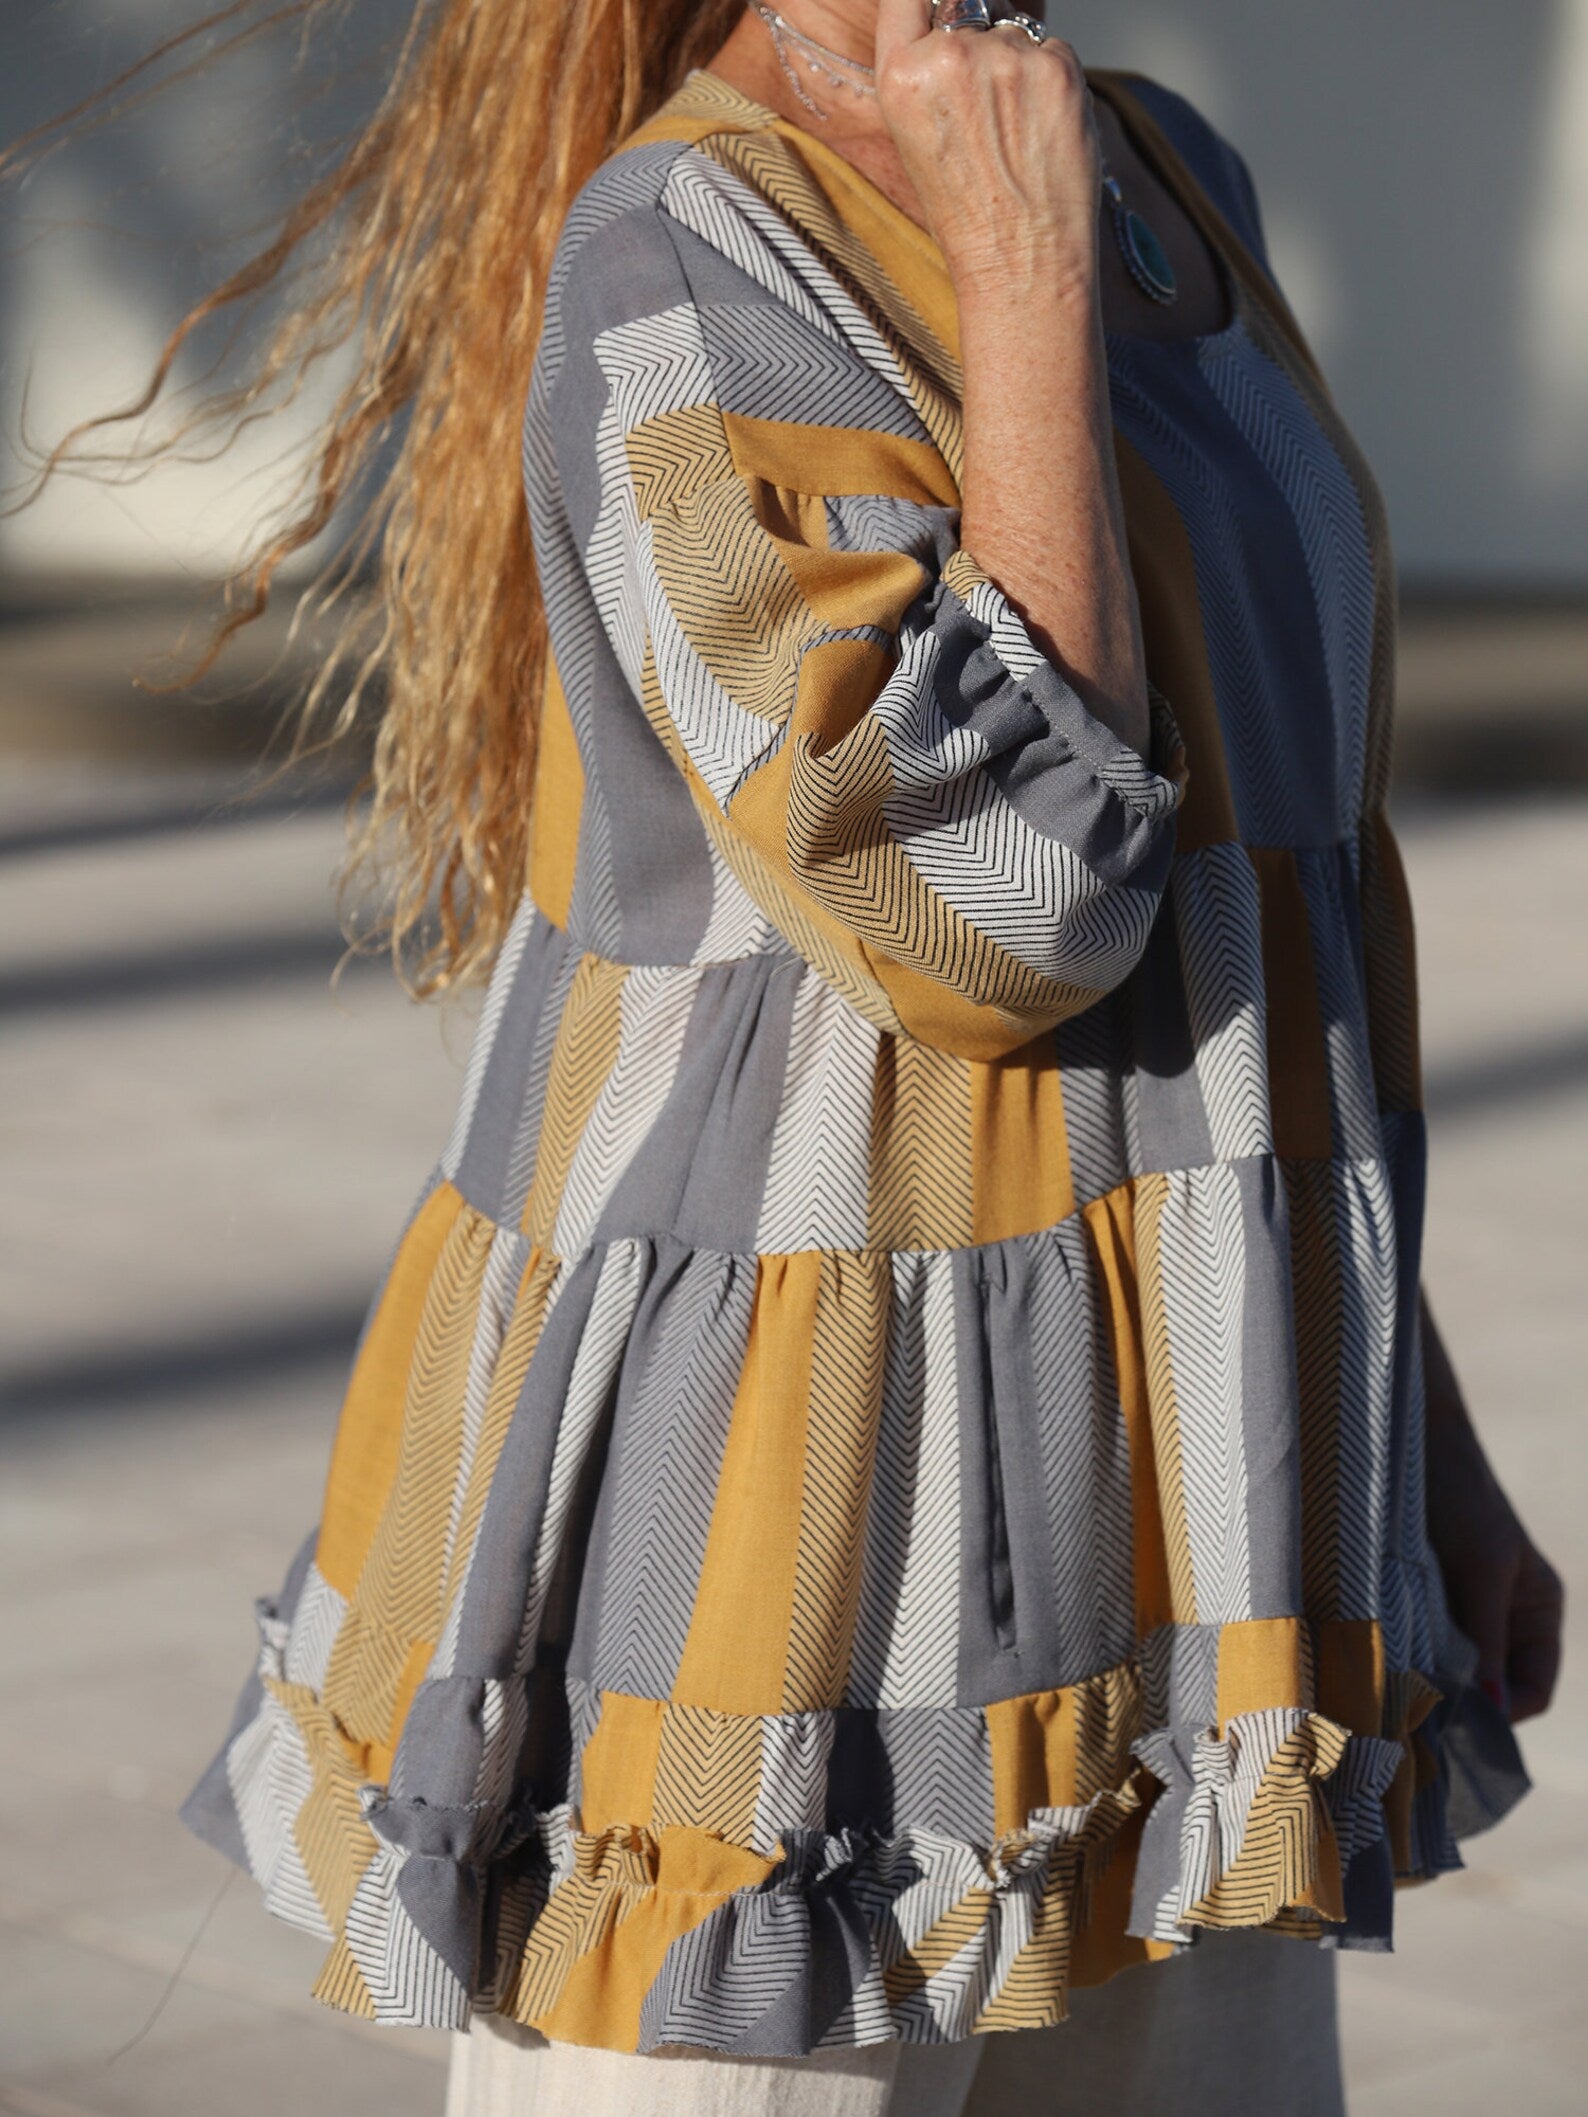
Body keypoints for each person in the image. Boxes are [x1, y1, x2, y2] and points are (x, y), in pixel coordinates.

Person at [21, 1, 1560, 2111]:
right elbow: (997, 901)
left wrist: (1420, 1443)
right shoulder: (677, 248)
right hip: (800, 1570)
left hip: (1198, 1547)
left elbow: (1262, 909)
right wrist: (1021, 278)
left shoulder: (1164, 170)